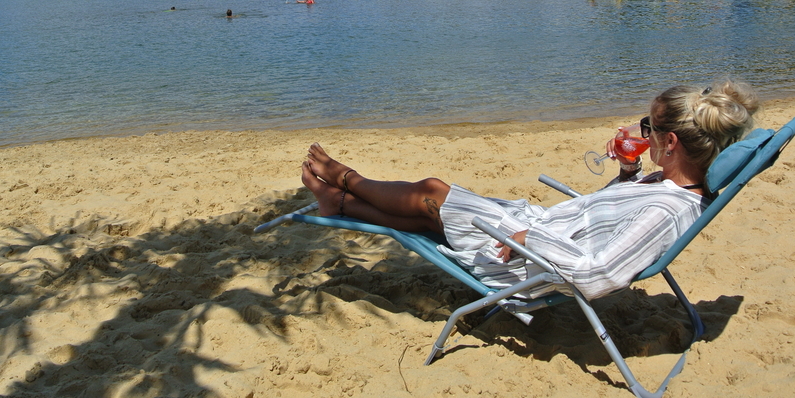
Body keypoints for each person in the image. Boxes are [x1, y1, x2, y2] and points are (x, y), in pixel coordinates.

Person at [300, 82, 759, 300]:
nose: (641, 131)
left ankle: (345, 180)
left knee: (432, 195)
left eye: (649, 127)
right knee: (429, 214)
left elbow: (598, 275)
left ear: (672, 142)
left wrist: (527, 240)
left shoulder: (667, 210)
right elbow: (612, 220)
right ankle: (339, 201)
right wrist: (626, 172)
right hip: (533, 230)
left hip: (531, 261)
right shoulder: (668, 183)